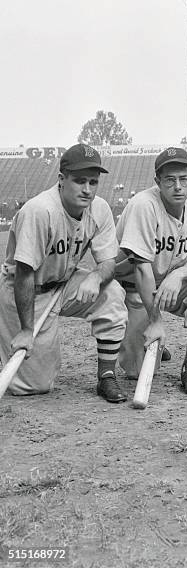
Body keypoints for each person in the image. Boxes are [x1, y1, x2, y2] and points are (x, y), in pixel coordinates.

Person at [0, 144, 129, 402]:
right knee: (34, 386)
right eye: (79, 181)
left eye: (93, 182)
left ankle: (106, 376)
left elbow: (108, 263)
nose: (87, 189)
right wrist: (26, 330)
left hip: (64, 283)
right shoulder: (39, 211)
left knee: (112, 293)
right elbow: (25, 274)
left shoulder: (100, 208)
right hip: (26, 292)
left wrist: (94, 277)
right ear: (61, 180)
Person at [115, 147, 187, 394]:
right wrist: (155, 320)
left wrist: (178, 275)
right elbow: (140, 269)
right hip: (133, 287)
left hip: (169, 283)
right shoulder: (143, 205)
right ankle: (143, 337)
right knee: (135, 371)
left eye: (183, 179)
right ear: (157, 182)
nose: (178, 186)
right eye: (170, 180)